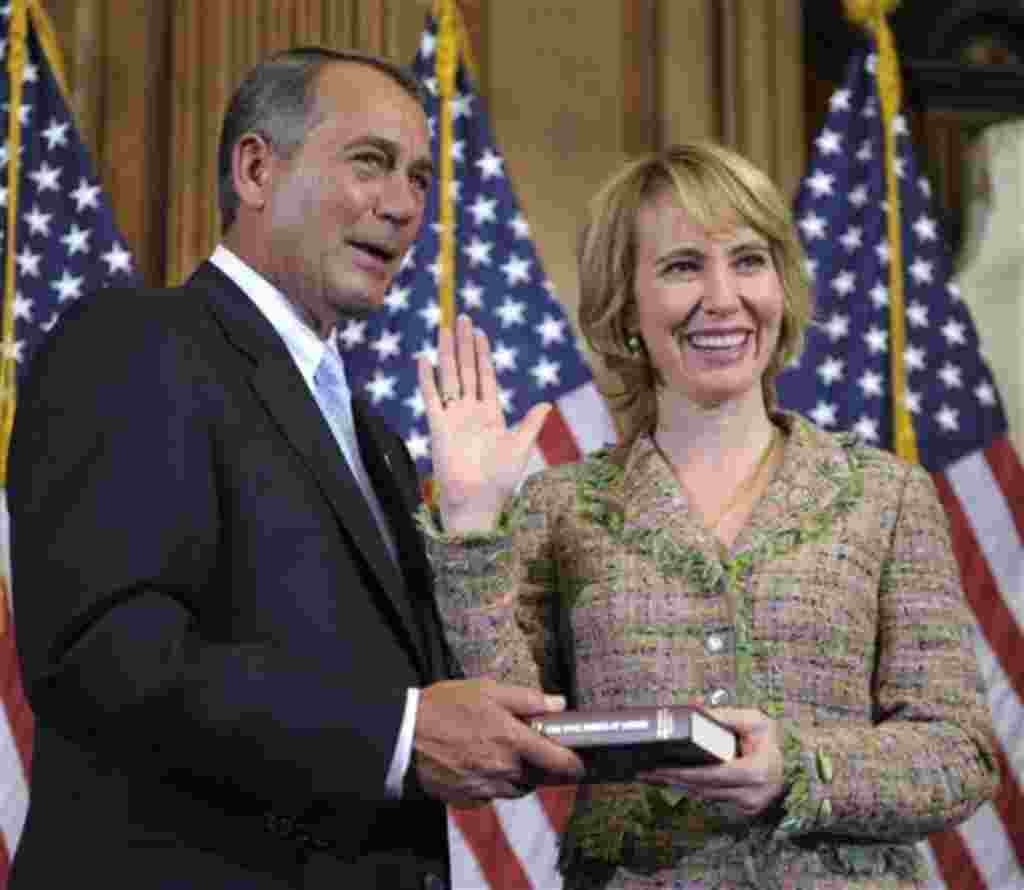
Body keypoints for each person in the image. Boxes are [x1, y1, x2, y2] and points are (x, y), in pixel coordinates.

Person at [8, 47, 583, 889]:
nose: (403, 206)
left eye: (421, 178)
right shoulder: (136, 344)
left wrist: (468, 523)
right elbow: (105, 654)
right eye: (371, 164)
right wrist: (395, 737)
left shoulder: (377, 442)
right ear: (255, 168)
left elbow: (431, 694)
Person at [416, 141, 1001, 889]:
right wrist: (470, 521)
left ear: (783, 286)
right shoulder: (564, 508)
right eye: (683, 266)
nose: (722, 298)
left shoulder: (886, 495)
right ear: (626, 306)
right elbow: (505, 736)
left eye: (749, 261)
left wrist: (800, 768)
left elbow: (959, 753)